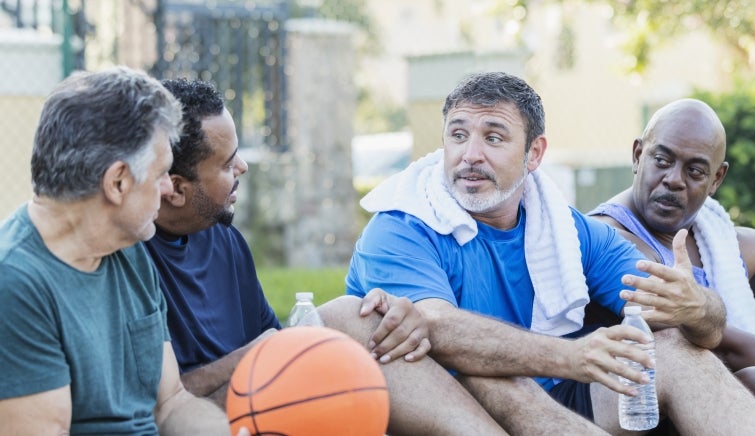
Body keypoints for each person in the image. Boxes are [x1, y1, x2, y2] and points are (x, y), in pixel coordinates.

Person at [346, 71, 755, 434]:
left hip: (559, 392)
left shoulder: (569, 230)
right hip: (459, 405)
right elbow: (438, 328)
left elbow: (700, 329)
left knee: (671, 346)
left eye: (493, 138)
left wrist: (696, 304)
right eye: (458, 135)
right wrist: (572, 356)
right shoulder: (401, 224)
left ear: (534, 153)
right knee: (493, 378)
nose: (469, 155)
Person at [143, 77, 526, 435]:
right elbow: (163, 403)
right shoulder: (131, 260)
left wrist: (378, 319)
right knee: (343, 320)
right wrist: (286, 343)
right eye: (228, 164)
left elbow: (273, 343)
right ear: (175, 189)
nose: (242, 167)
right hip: (207, 419)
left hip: (270, 401)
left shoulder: (223, 239)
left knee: (366, 318)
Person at [0, 67, 231, 434]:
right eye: (160, 175)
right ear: (118, 182)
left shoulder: (128, 248)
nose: (168, 191)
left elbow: (171, 403)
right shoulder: (15, 284)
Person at [589, 97, 755, 431]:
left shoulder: (723, 240)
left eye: (695, 171)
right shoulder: (608, 241)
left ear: (716, 179)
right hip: (668, 408)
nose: (674, 179)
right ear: (637, 155)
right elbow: (726, 348)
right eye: (661, 160)